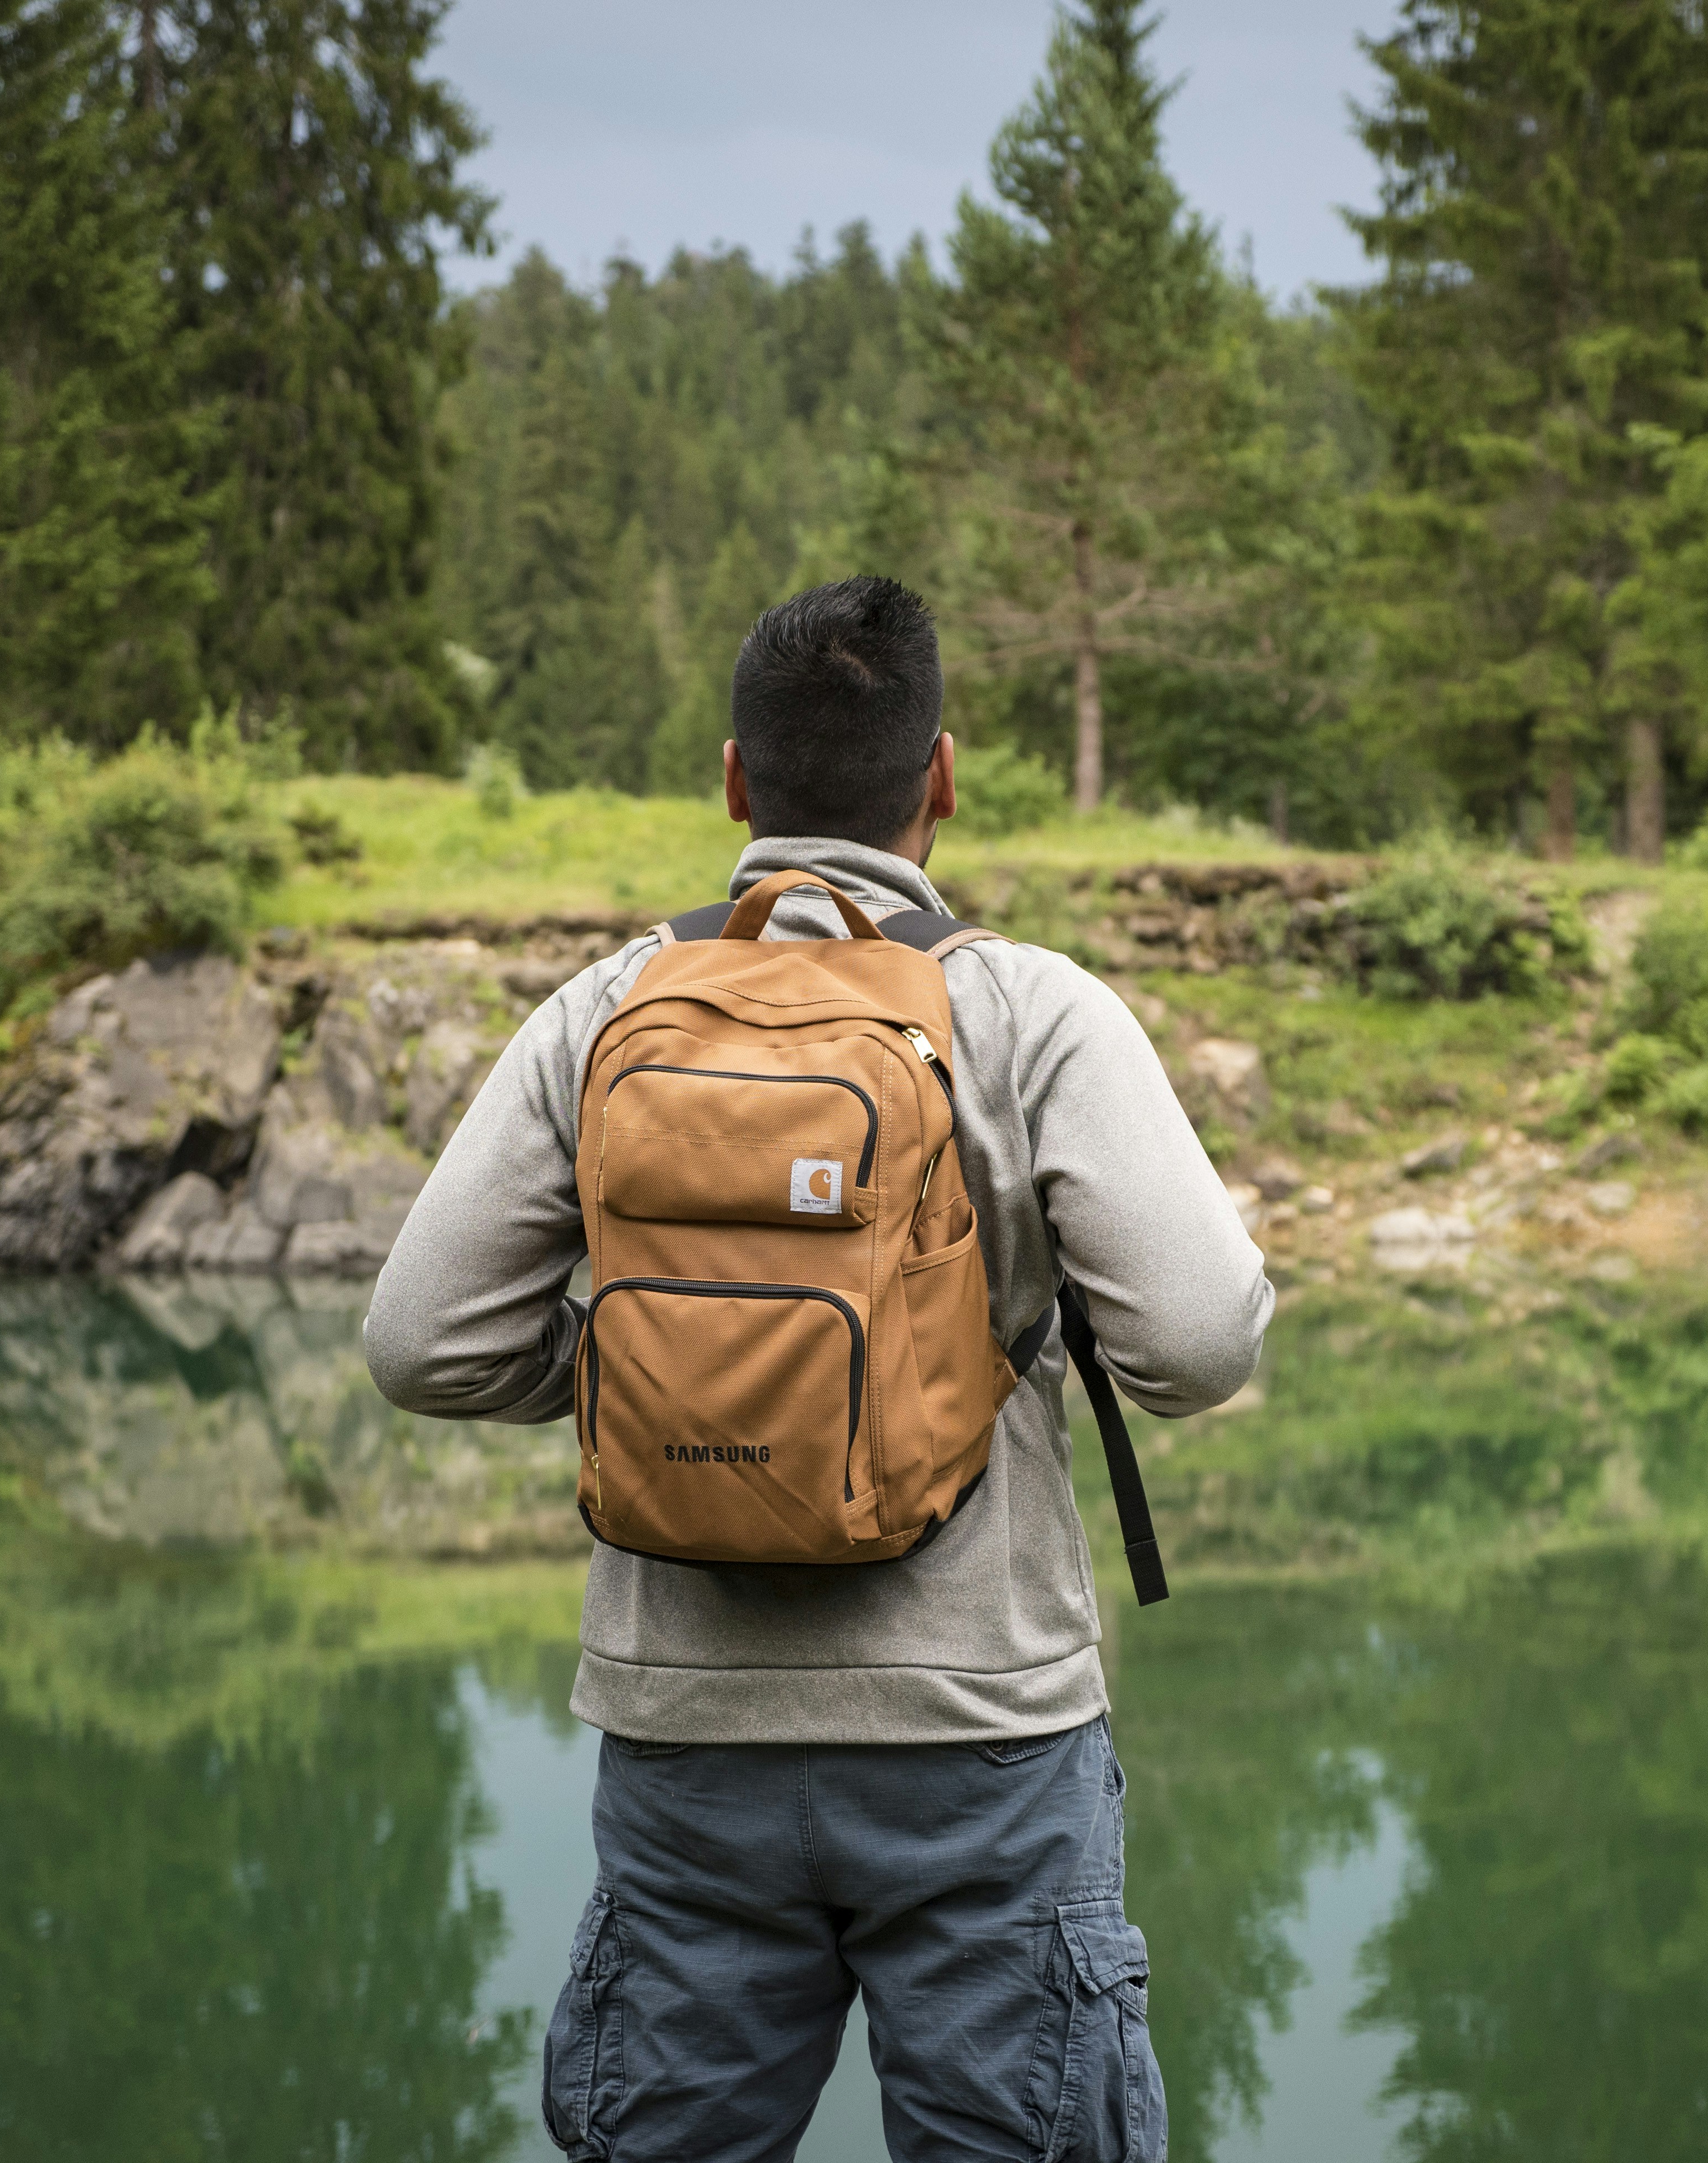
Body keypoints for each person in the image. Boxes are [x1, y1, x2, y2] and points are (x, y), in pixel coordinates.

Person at [363, 575, 1272, 2163]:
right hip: (982, 1734)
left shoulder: (608, 1008)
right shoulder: (1030, 1012)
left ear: (736, 781)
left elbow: (422, 1342)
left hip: (685, 1736)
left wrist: (666, 1375)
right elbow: (1197, 1346)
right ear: (940, 778)